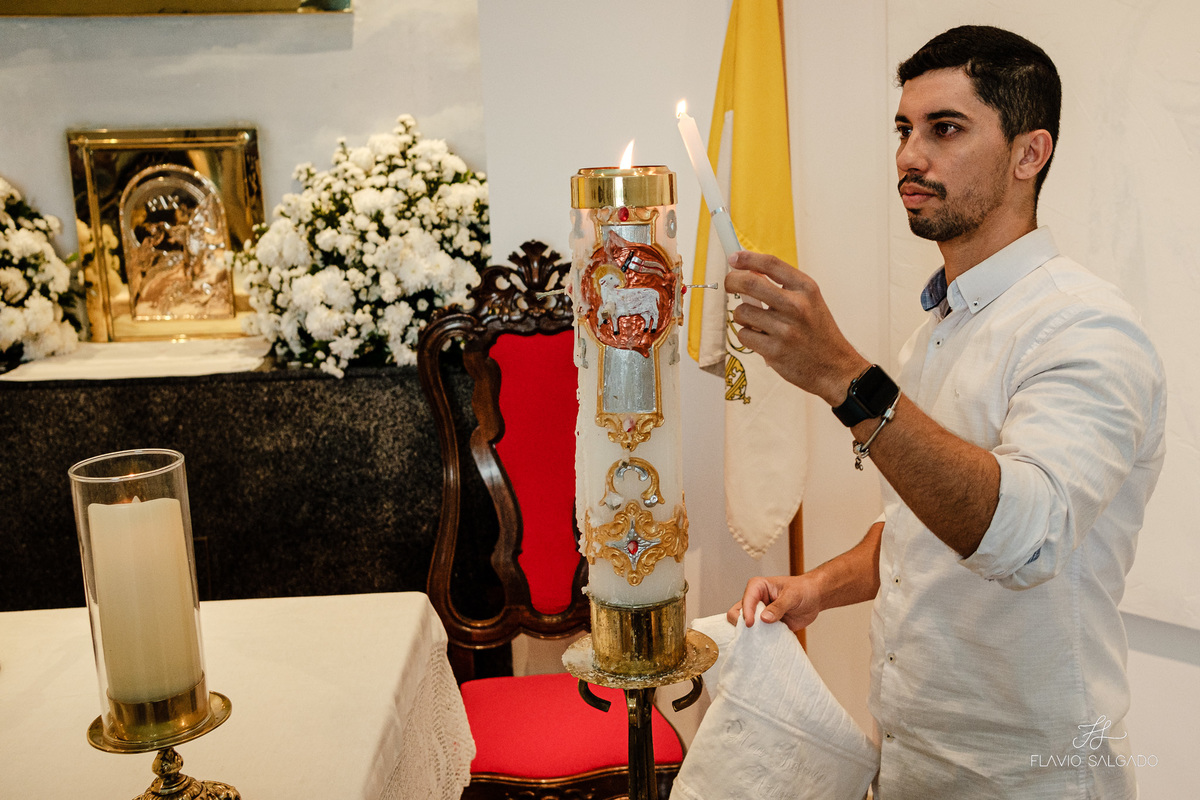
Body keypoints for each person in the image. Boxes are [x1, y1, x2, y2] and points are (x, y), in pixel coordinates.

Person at [724, 25, 1166, 799]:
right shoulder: (936, 330)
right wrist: (817, 588)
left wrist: (844, 378)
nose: (910, 155)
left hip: (1031, 777)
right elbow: (916, 527)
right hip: (911, 758)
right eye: (904, 129)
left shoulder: (1087, 327)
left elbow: (1024, 539)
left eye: (945, 128)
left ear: (1029, 153)